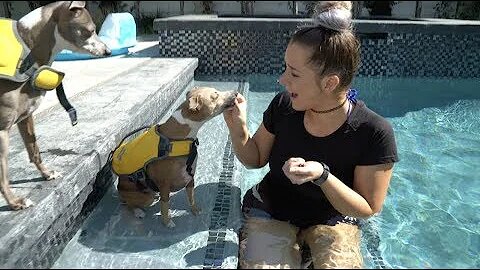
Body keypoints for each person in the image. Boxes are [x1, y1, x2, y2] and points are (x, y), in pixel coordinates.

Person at [222, 1, 399, 269]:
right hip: (272, 210)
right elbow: (255, 158)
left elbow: (367, 207)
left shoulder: (374, 132)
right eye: (285, 68)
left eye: (293, 73)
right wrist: (238, 128)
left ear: (329, 83)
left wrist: (323, 176)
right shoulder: (284, 106)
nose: (282, 80)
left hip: (335, 218)